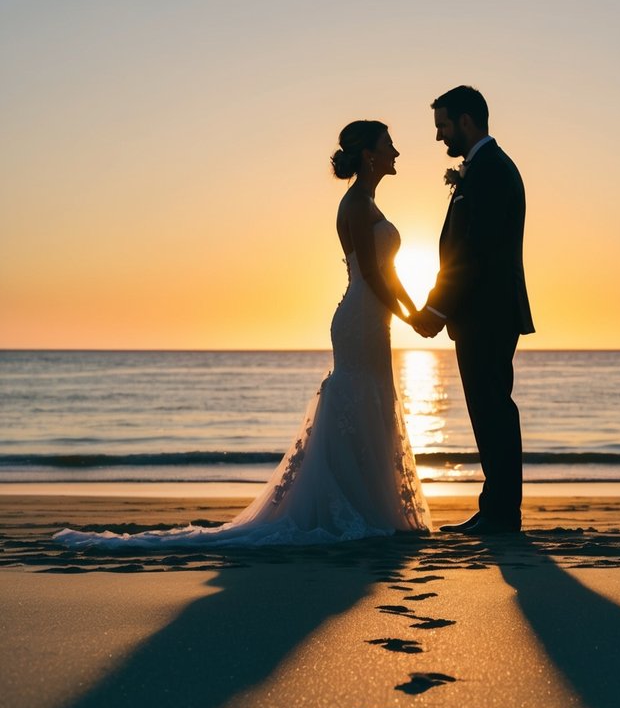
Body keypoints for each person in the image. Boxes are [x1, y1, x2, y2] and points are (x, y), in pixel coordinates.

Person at [55, 121, 432, 549]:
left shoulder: (369, 204)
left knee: (374, 400)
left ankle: (372, 505)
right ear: (369, 154)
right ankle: (353, 508)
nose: (396, 152)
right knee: (360, 398)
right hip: (361, 319)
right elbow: (370, 274)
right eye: (389, 145)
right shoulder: (356, 205)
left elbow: (391, 273)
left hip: (373, 319)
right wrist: (411, 316)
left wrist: (414, 311)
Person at [410, 85, 534, 534]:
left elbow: (474, 253)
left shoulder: (491, 172)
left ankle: (502, 514)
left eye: (443, 125)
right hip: (482, 313)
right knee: (488, 410)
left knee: (493, 410)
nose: (440, 137)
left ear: (466, 121)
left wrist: (435, 310)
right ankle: (495, 507)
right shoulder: (482, 169)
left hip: (488, 313)